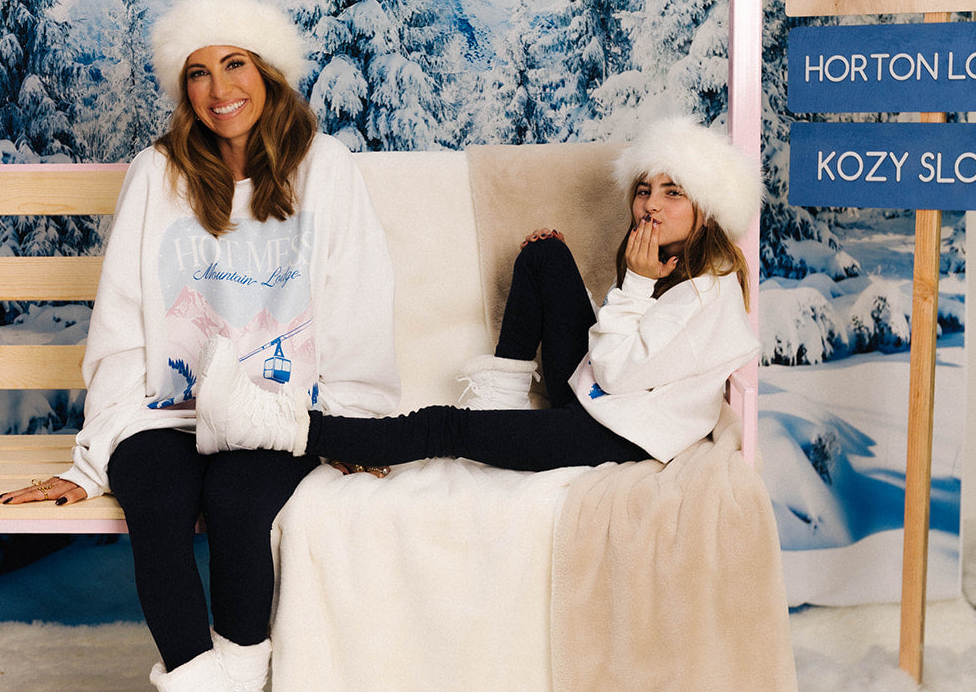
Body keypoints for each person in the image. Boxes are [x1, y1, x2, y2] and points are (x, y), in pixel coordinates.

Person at [0, 0, 399, 692]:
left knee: (240, 503)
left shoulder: (325, 168)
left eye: (235, 65)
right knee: (160, 505)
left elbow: (359, 304)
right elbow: (126, 319)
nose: (218, 89)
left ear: (267, 73)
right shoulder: (158, 172)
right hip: (161, 405)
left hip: (268, 407)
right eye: (198, 73)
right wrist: (92, 453)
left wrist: (355, 423)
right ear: (183, 91)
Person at [193, 115, 761, 480]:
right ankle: (503, 406)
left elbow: (616, 371)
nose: (650, 206)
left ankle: (271, 425)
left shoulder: (704, 298)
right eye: (644, 190)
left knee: (445, 426)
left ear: (706, 210)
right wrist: (624, 285)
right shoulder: (666, 264)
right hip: (602, 398)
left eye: (673, 193)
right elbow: (619, 353)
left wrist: (634, 286)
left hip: (618, 434)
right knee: (545, 255)